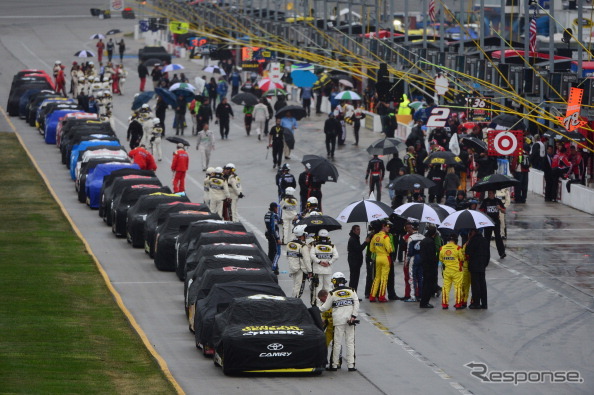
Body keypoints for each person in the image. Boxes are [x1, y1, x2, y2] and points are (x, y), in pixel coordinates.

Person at [319, 272, 359, 372]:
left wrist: (315, 309)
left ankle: (334, 365)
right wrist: (353, 316)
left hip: (338, 321)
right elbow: (356, 304)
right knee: (350, 343)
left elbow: (324, 307)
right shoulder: (352, 290)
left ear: (334, 281)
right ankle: (351, 365)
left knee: (337, 343)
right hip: (350, 320)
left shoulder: (332, 293)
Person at [310, 229, 339, 305]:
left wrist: (319, 262)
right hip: (328, 269)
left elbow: (312, 255)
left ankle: (318, 304)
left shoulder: (315, 245)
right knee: (328, 287)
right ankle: (328, 304)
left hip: (317, 270)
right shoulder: (331, 245)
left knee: (318, 288)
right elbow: (336, 256)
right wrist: (329, 262)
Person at [369, 219, 393, 303]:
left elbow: (371, 249)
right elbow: (390, 249)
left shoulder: (375, 236)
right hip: (385, 257)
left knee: (377, 277)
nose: (388, 228)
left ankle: (372, 296)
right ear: (383, 227)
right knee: (384, 278)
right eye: (387, 226)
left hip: (378, 257)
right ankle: (381, 296)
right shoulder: (386, 237)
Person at [465, 228, 489, 309]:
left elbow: (467, 252)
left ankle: (476, 303)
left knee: (475, 285)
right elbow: (488, 254)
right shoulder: (485, 240)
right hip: (482, 265)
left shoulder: (472, 241)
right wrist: (485, 264)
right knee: (482, 284)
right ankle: (484, 303)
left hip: (474, 266)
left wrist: (468, 241)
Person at [439, 233, 465, 310]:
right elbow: (462, 258)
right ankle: (458, 304)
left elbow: (441, 259)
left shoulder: (442, 248)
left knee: (445, 287)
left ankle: (444, 304)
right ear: (456, 240)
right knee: (458, 287)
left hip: (447, 271)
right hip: (457, 271)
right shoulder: (458, 248)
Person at [286, 224, 312, 298]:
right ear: (302, 234)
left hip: (292, 267)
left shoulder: (289, 244)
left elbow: (287, 256)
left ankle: (293, 300)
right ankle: (295, 302)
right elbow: (307, 260)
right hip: (300, 269)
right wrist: (310, 271)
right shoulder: (303, 246)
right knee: (299, 287)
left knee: (295, 286)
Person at [479, 190, 506, 259]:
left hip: (496, 221)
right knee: (487, 239)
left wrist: (499, 208)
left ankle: (502, 253)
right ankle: (486, 254)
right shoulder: (485, 201)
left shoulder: (498, 201)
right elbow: (480, 210)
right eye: (488, 193)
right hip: (488, 222)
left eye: (491, 193)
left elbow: (504, 211)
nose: (489, 194)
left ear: (494, 194)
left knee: (498, 237)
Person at [419, 225, 439, 308]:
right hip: (430, 266)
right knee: (428, 284)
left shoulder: (423, 241)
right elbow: (432, 256)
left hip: (424, 264)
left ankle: (423, 301)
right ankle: (425, 302)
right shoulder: (431, 242)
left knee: (425, 284)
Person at [404, 222, 424, 302]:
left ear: (412, 228)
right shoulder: (423, 237)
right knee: (420, 277)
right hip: (422, 258)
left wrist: (406, 262)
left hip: (414, 258)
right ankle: (420, 295)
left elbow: (409, 251)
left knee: (412, 277)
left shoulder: (411, 238)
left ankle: (413, 296)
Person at [347, 225, 369, 293]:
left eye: (359, 229)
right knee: (353, 279)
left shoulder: (356, 238)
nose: (359, 231)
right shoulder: (353, 239)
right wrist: (366, 242)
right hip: (354, 261)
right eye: (357, 229)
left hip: (356, 261)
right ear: (353, 230)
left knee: (355, 279)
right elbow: (359, 249)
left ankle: (354, 293)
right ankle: (352, 294)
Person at [264, 202, 282, 275]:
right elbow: (274, 228)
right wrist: (277, 238)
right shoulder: (274, 215)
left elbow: (267, 226)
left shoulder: (267, 214)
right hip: (273, 236)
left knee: (271, 252)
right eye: (277, 208)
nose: (277, 209)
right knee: (277, 253)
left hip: (269, 235)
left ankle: (269, 267)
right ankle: (274, 268)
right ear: (274, 208)